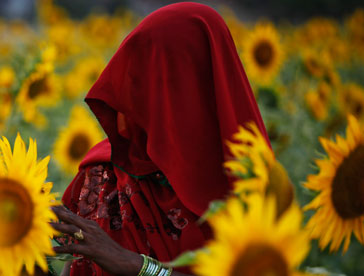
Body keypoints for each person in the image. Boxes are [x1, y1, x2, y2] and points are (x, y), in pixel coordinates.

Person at [51, 2, 269, 276]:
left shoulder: (249, 187)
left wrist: (137, 267)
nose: (143, 101)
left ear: (205, 84)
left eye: (164, 81)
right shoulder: (100, 178)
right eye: (138, 82)